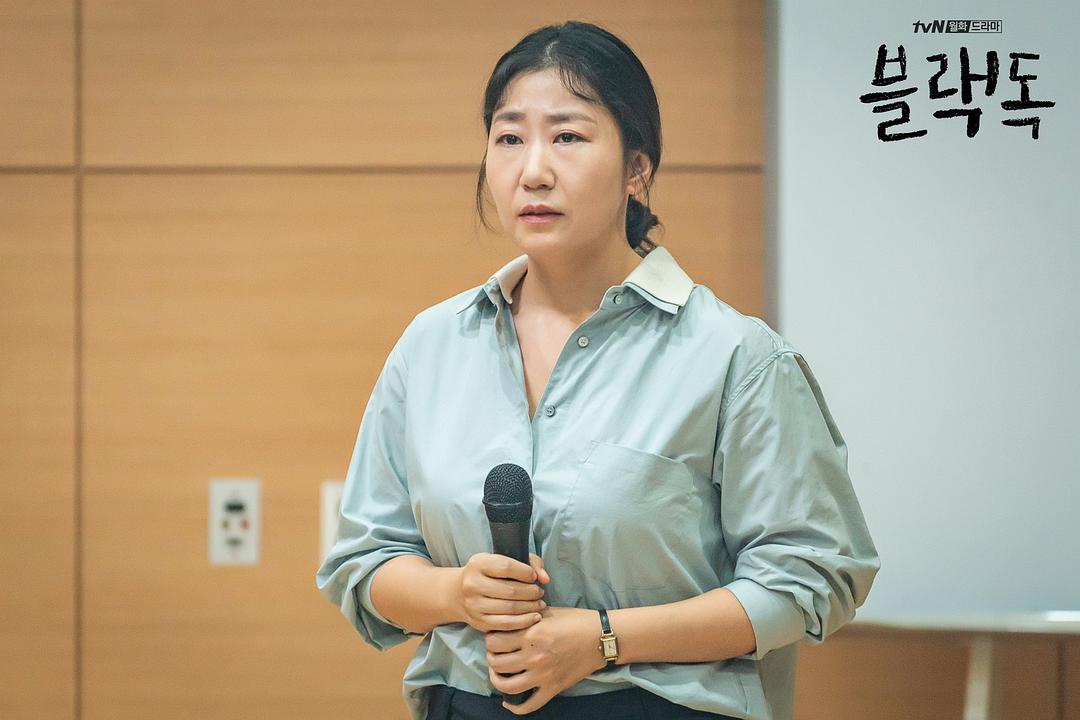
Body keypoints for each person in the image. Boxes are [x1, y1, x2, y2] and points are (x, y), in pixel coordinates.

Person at [316, 20, 880, 720]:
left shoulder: (735, 356)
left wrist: (604, 639)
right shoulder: (431, 346)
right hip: (466, 703)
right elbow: (366, 560)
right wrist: (457, 593)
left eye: (568, 137)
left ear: (637, 169)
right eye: (509, 138)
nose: (533, 170)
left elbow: (812, 578)